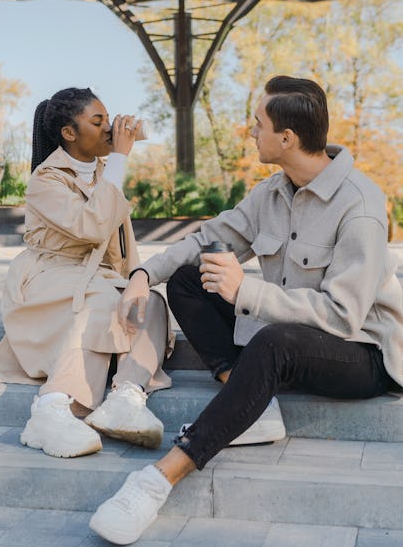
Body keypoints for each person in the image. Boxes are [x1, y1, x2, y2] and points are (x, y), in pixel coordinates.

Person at [89, 75, 403, 545]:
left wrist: (246, 294)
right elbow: (205, 238)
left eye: (257, 123)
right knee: (189, 279)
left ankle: (156, 481)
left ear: (287, 137)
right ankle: (249, 396)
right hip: (292, 335)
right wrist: (140, 275)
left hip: (364, 352)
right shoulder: (272, 192)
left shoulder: (359, 204)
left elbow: (343, 316)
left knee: (273, 340)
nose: (250, 131)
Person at [0, 87, 173, 458]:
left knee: (150, 302)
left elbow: (121, 247)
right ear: (68, 132)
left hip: (99, 277)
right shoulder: (45, 180)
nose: (109, 128)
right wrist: (121, 159)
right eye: (98, 121)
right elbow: (92, 227)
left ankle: (126, 397)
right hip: (49, 275)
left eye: (108, 119)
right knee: (101, 303)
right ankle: (53, 407)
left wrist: (137, 281)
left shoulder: (103, 172)